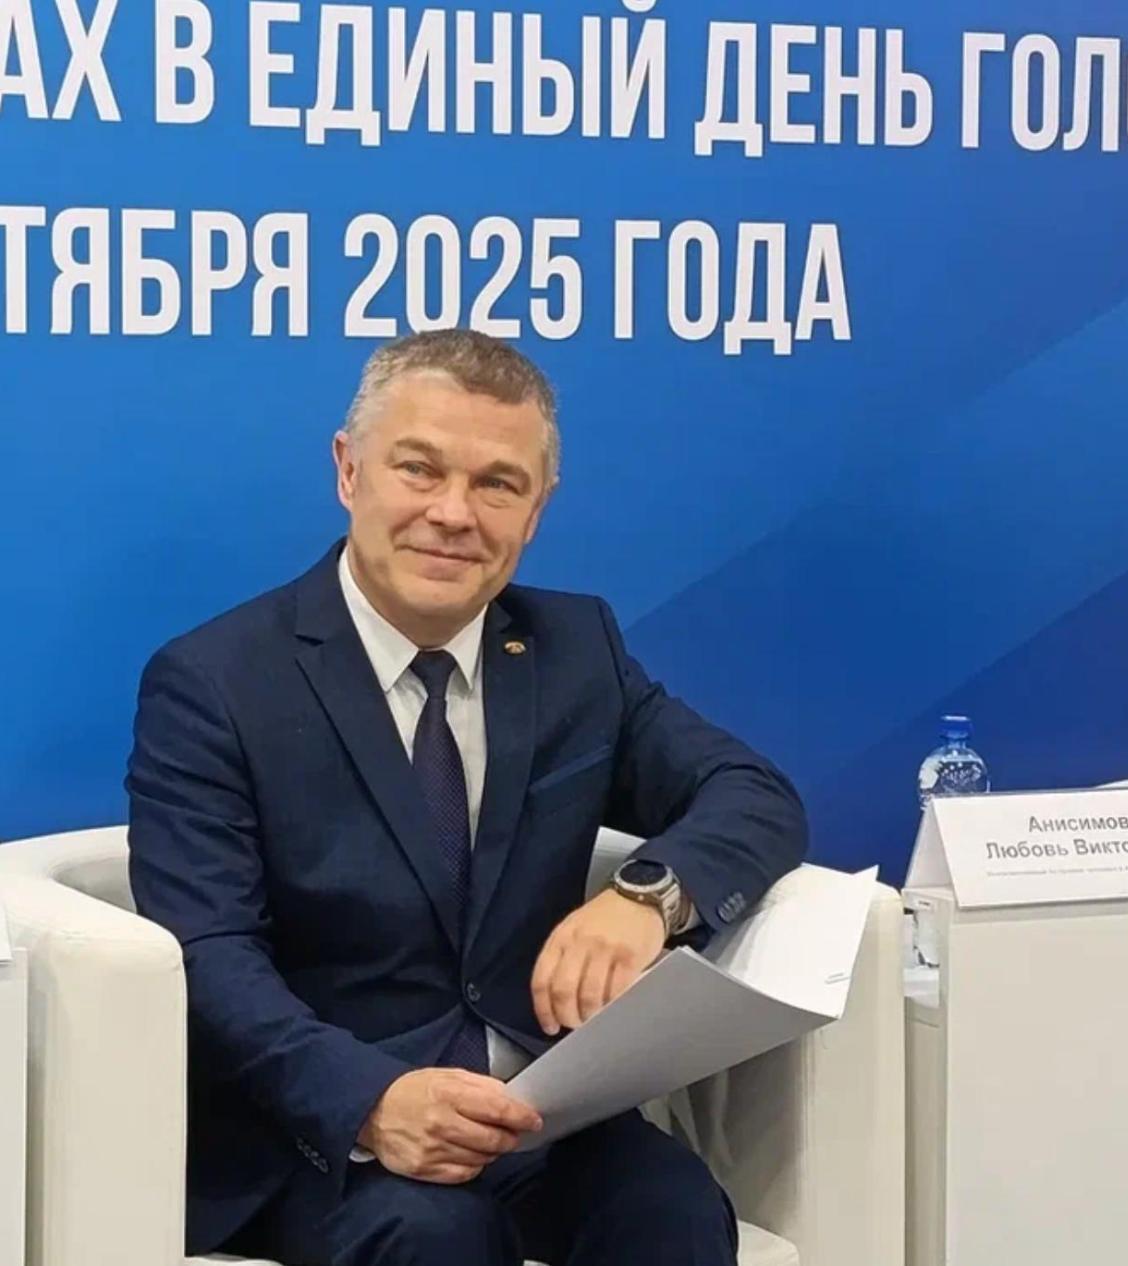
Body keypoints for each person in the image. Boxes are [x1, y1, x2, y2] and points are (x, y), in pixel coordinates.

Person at [126, 329, 808, 1266]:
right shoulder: (217, 682)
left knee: (674, 1211)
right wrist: (372, 1101)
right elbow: (210, 954)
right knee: (434, 1237)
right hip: (330, 1138)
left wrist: (646, 899)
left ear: (537, 509)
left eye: (497, 484)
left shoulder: (576, 650)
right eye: (419, 469)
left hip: (543, 1116)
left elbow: (753, 794)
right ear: (348, 470)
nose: (453, 513)